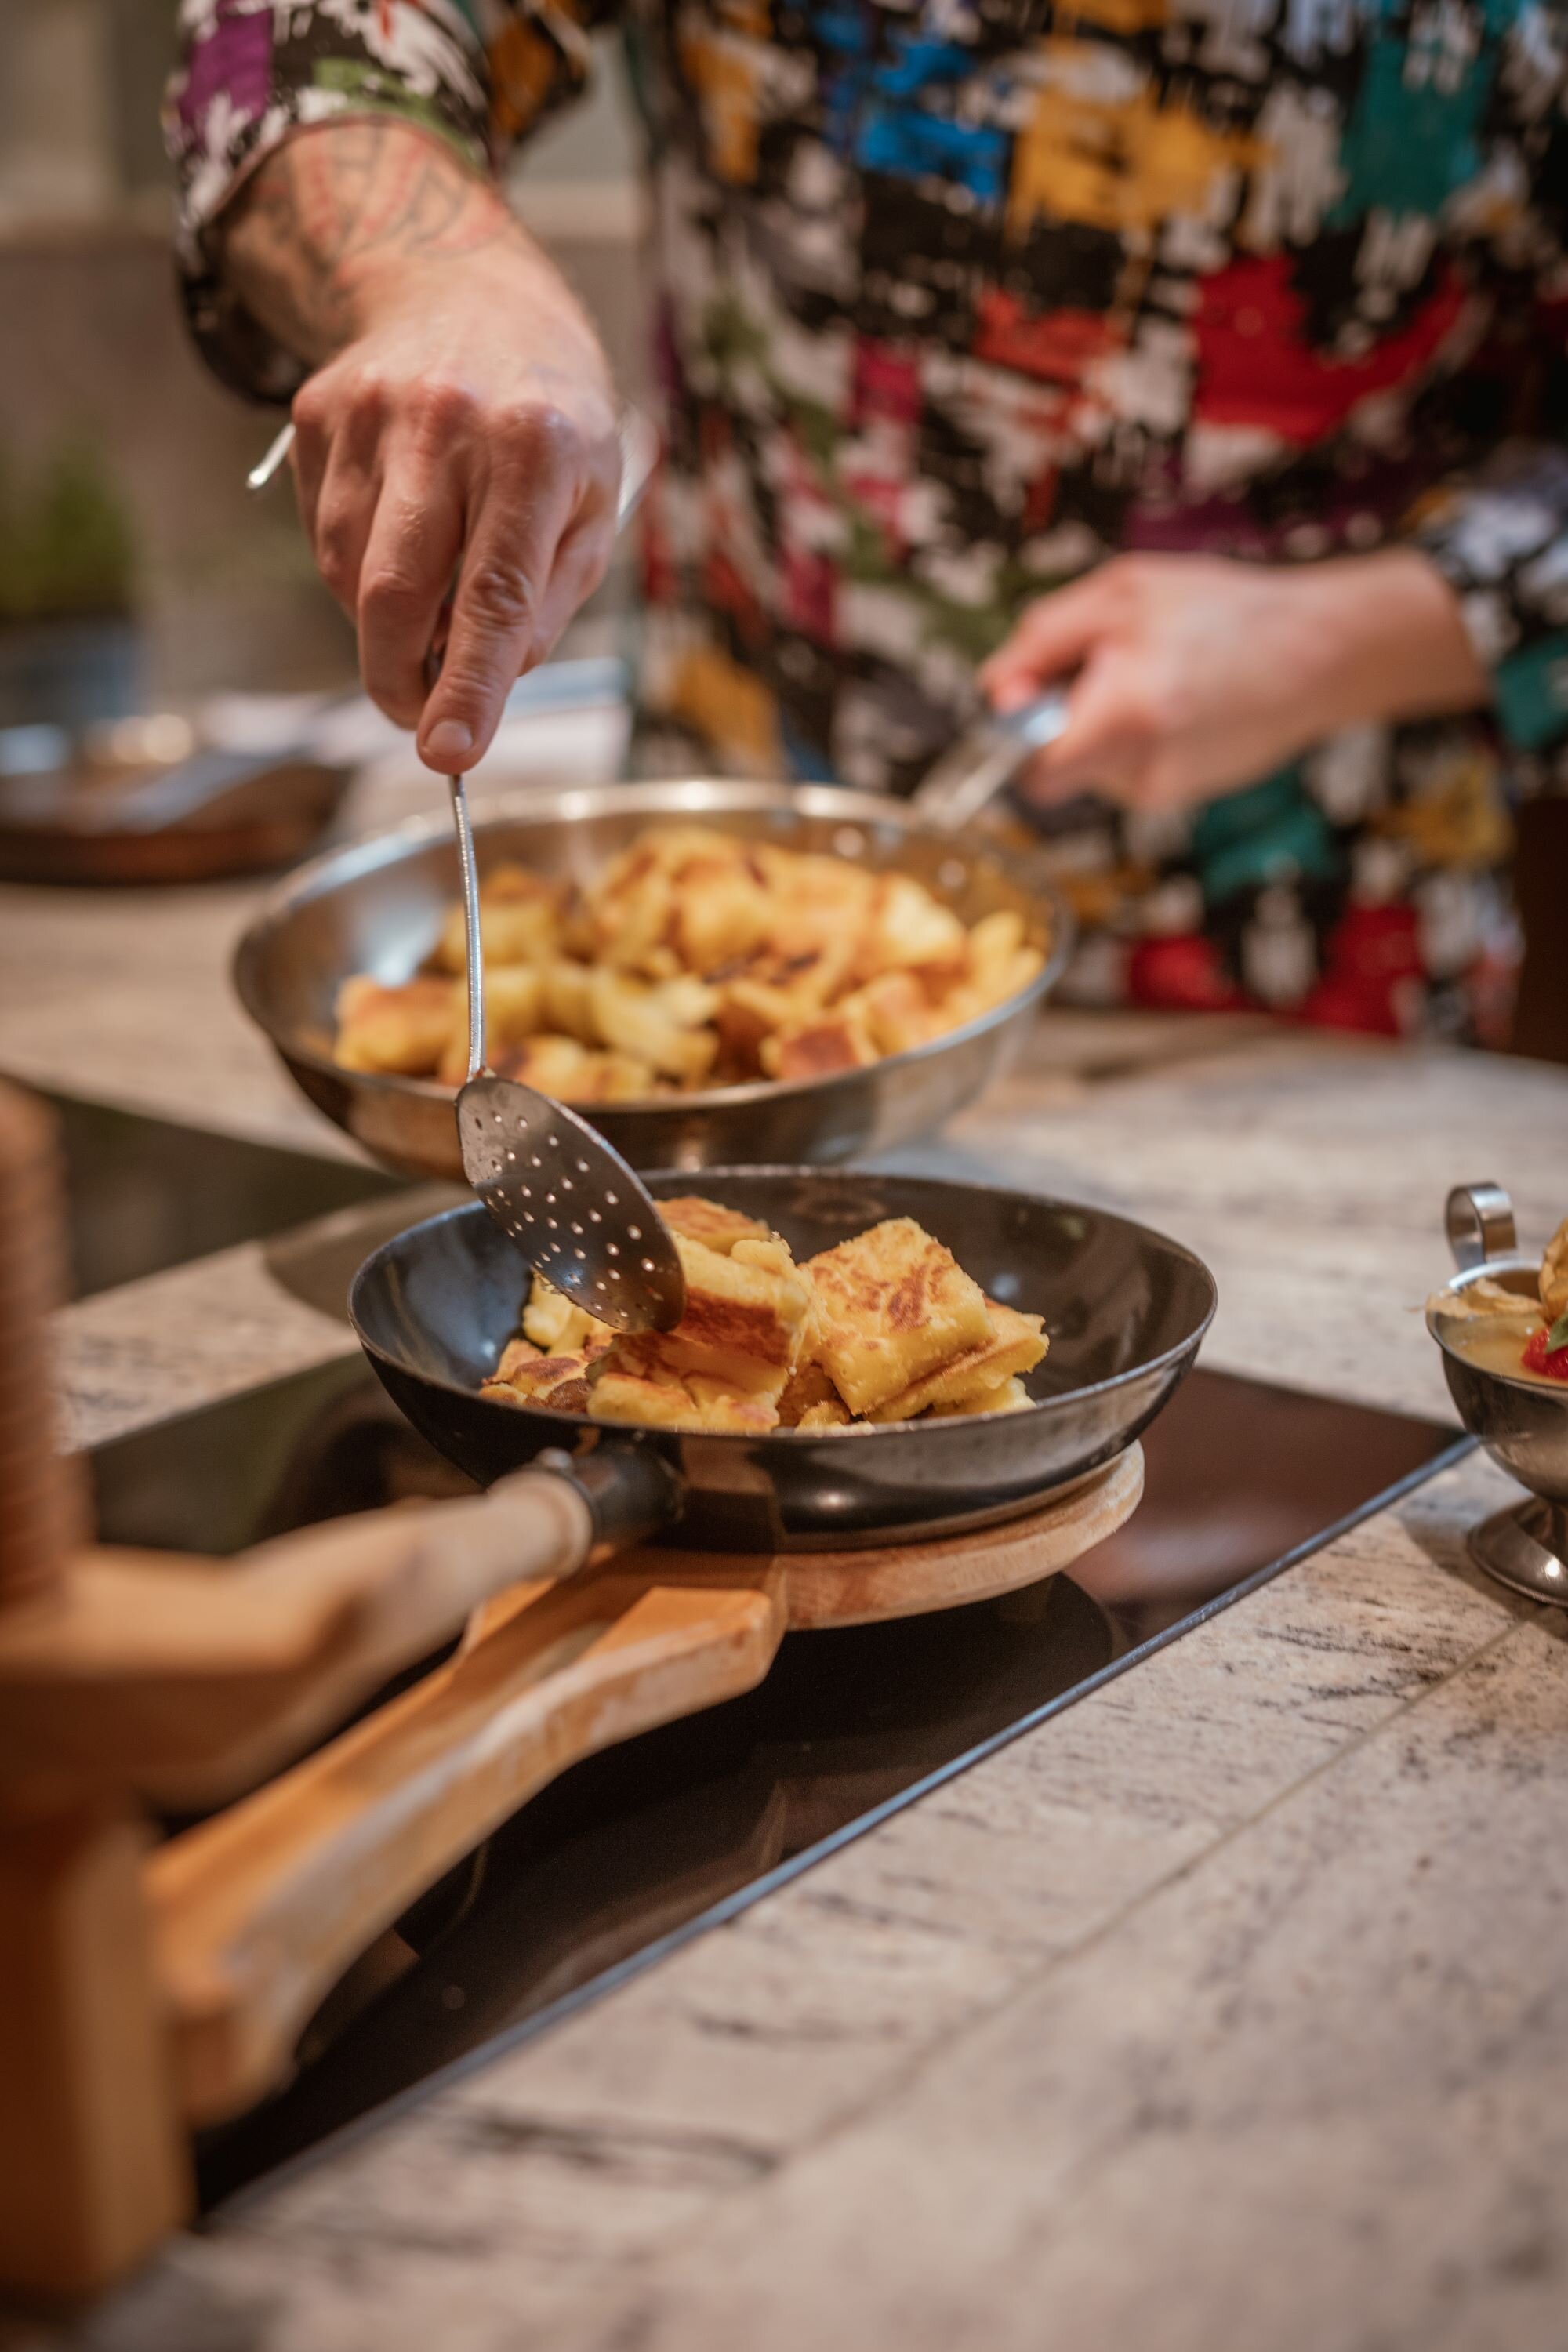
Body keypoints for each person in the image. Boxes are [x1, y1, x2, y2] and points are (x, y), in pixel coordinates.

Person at [165, 0, 1568, 1040]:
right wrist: (443, 275)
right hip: (710, 960)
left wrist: (1354, 634)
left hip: (1325, 990)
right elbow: (286, 32)